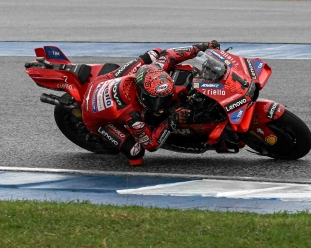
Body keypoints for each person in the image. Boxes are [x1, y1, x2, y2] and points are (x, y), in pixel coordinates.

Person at [81, 40, 221, 166]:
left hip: (102, 81)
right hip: (94, 117)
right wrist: (172, 119)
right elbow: (151, 145)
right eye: (158, 100)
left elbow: (170, 54)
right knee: (136, 153)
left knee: (154, 54)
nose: (164, 103)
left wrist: (202, 47)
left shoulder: (155, 68)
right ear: (143, 96)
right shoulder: (132, 116)